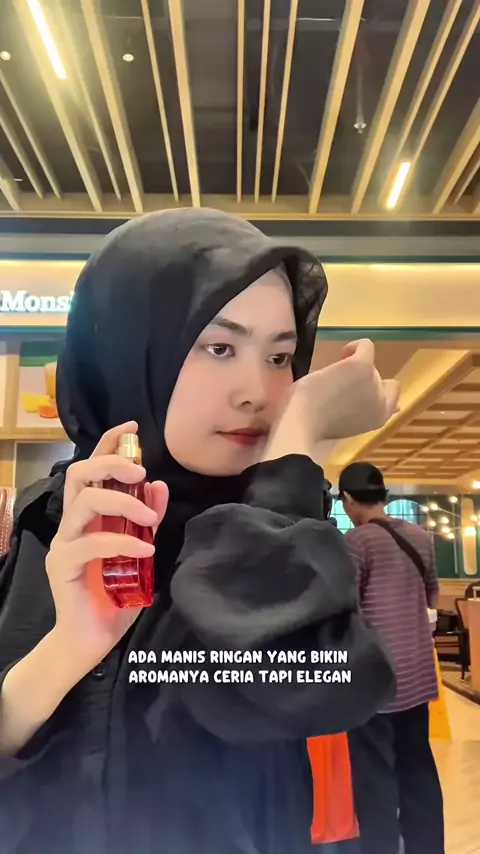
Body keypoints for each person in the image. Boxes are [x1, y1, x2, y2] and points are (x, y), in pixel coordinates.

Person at [0, 210, 399, 854]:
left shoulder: (281, 531)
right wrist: (66, 651)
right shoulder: (53, 519)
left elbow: (306, 691)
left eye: (280, 357)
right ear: (126, 349)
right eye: (219, 347)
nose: (258, 392)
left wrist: (297, 446)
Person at [338, 462, 444, 854]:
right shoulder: (420, 536)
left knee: (375, 778)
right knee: (418, 769)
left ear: (347, 499)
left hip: (376, 682)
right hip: (417, 677)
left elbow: (347, 607)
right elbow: (431, 596)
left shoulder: (356, 542)